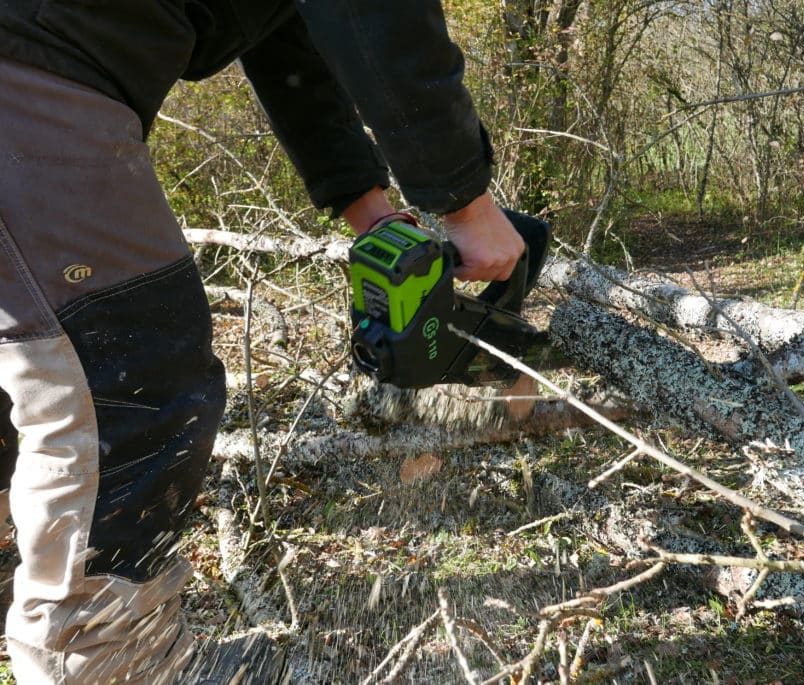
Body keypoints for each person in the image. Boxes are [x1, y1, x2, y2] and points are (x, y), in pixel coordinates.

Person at [0, 2, 524, 682]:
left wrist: (367, 205)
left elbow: (287, 42)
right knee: (130, 370)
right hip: (34, 67)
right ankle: (108, 665)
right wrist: (465, 204)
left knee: (27, 358)